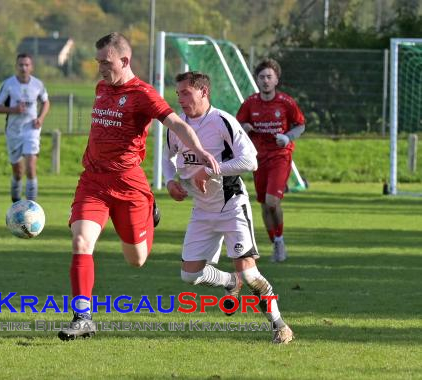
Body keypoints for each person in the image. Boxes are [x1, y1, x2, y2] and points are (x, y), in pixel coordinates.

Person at [58, 33, 220, 341]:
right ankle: (82, 317)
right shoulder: (102, 87)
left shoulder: (144, 94)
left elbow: (176, 123)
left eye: (106, 63)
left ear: (124, 60)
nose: (101, 69)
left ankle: (148, 209)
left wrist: (199, 150)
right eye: (99, 63)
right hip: (92, 181)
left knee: (137, 260)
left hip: (129, 186)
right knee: (81, 243)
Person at [163, 71, 294, 344]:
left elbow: (251, 161)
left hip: (232, 205)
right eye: (178, 94)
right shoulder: (175, 126)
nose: (181, 99)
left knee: (249, 273)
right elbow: (169, 157)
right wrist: (169, 181)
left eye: (186, 93)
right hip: (201, 210)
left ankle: (280, 325)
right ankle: (228, 282)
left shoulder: (221, 120)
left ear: (203, 92)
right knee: (190, 275)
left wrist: (211, 171)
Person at [236, 58, 305, 263]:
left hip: (280, 157)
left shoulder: (286, 103)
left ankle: (280, 240)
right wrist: (244, 128)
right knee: (264, 206)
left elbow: (300, 125)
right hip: (258, 159)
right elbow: (237, 124)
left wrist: (288, 137)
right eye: (262, 77)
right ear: (257, 80)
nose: (265, 81)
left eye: (269, 77)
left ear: (276, 80)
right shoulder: (250, 103)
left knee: (272, 202)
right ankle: (276, 242)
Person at [0, 53, 50, 203]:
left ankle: (31, 207)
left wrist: (41, 118)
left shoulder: (38, 84)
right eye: (21, 65)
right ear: (16, 66)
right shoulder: (9, 84)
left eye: (27, 65)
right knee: (18, 172)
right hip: (13, 131)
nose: (24, 68)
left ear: (32, 67)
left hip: (31, 130)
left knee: (31, 168)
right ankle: (16, 204)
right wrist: (13, 110)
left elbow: (46, 102)